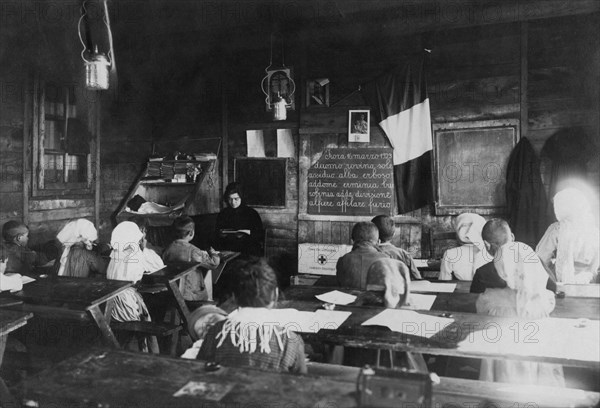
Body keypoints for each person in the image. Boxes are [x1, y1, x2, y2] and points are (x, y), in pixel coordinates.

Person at [475, 219, 564, 386]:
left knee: (504, 381)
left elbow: (480, 306)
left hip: (503, 343)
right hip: (536, 338)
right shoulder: (535, 265)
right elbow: (552, 289)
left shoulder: (486, 282)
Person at [197, 258, 307, 374]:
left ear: (233, 297)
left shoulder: (216, 332)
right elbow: (301, 381)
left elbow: (200, 370)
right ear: (275, 295)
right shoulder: (290, 341)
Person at [106, 221, 164, 352]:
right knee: (142, 328)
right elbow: (158, 265)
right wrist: (144, 249)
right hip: (126, 300)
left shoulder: (115, 253)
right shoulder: (137, 253)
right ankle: (146, 354)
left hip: (111, 300)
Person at [536, 187, 599, 284]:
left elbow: (541, 259)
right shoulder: (594, 229)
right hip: (590, 285)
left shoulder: (557, 229)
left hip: (560, 285)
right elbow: (596, 265)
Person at [162, 216, 220, 304]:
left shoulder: (168, 249)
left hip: (172, 292)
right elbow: (214, 264)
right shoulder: (194, 251)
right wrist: (214, 253)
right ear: (191, 233)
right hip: (191, 294)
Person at [215, 182, 264, 257]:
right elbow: (217, 233)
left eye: (236, 199)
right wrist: (221, 234)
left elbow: (259, 235)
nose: (233, 202)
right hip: (228, 248)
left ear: (242, 197)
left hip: (246, 248)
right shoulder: (223, 213)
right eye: (230, 199)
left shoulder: (252, 213)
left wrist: (246, 234)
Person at [439, 213, 490, 281]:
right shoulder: (491, 252)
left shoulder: (450, 254)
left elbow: (444, 282)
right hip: (489, 291)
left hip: (461, 291)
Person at [371, 215, 422, 280]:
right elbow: (417, 279)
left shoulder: (367, 253)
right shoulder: (403, 254)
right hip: (398, 289)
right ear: (394, 234)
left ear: (371, 232)